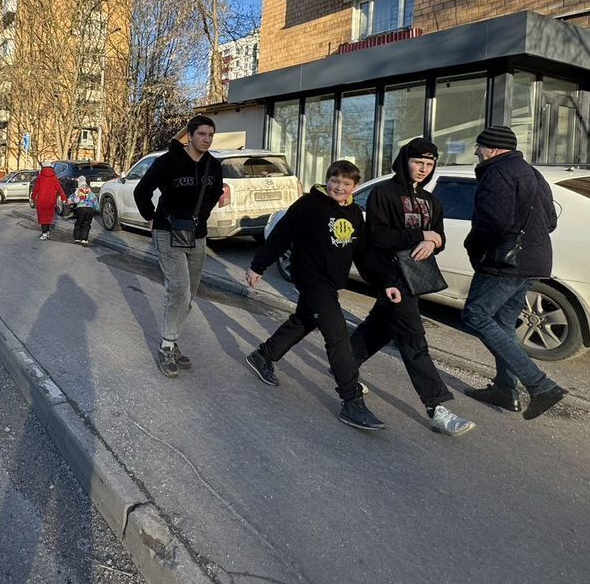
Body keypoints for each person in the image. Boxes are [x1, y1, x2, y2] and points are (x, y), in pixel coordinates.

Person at [244, 160, 387, 431]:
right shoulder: (310, 205)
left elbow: (363, 253)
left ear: (355, 187)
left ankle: (263, 356)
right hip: (310, 277)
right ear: (328, 180)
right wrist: (258, 265)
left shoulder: (355, 213)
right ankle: (351, 401)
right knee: (337, 334)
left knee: (305, 320)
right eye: (335, 181)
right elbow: (281, 235)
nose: (339, 187)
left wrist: (384, 282)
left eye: (346, 184)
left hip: (331, 282)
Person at [350, 138, 475, 437]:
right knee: (413, 338)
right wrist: (422, 234)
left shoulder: (433, 201)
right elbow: (379, 236)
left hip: (415, 276)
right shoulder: (383, 193)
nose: (423, 169)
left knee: (379, 328)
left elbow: (439, 238)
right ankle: (437, 408)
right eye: (418, 162)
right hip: (391, 275)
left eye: (429, 164)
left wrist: (434, 241)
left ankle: (344, 363)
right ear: (405, 161)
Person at [461, 125, 566, 420]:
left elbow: (493, 222)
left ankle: (540, 385)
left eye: (479, 146)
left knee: (476, 315)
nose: (476, 152)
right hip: (533, 262)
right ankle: (506, 390)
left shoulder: (497, 173)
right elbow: (551, 221)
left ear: (493, 148)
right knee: (503, 323)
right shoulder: (532, 172)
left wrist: (474, 246)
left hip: (503, 262)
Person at [134, 115, 224, 378]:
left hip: (197, 235)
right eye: (202, 134)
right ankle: (166, 345)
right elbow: (142, 191)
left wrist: (200, 218)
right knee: (179, 290)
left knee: (189, 294)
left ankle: (172, 340)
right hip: (167, 232)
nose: (206, 139)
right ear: (190, 136)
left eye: (210, 135)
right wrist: (152, 217)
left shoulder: (214, 166)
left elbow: (215, 193)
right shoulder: (168, 162)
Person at [32, 161, 67, 240]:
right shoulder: (54, 177)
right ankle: (47, 232)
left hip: (41, 200)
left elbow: (36, 188)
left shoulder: (40, 177)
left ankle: (44, 233)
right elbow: (59, 188)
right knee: (48, 217)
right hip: (51, 200)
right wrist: (64, 198)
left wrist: (33, 197)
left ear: (43, 167)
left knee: (43, 217)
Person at [69, 175, 99, 245]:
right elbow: (95, 201)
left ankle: (77, 238)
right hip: (90, 209)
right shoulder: (90, 192)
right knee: (86, 224)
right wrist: (97, 209)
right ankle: (84, 239)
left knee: (78, 223)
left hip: (80, 209)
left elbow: (71, 198)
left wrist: (69, 202)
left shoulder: (78, 191)